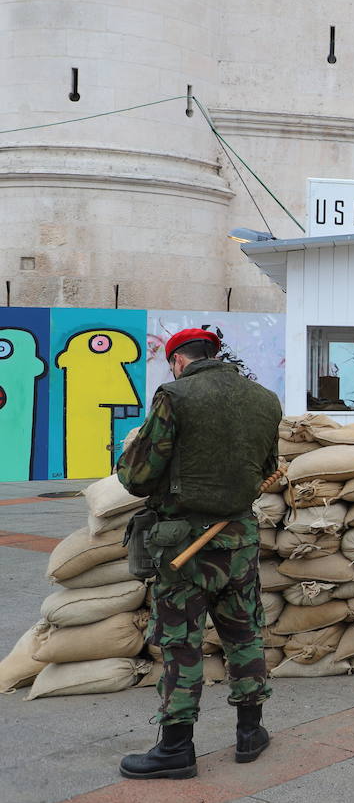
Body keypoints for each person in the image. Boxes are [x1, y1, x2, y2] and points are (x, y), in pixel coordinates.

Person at [114, 328, 281, 779]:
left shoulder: (174, 395)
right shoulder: (265, 400)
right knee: (243, 633)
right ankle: (250, 733)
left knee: (181, 643)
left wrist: (124, 461)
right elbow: (267, 469)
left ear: (179, 362)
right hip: (239, 538)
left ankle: (175, 748)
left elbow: (140, 476)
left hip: (183, 544)